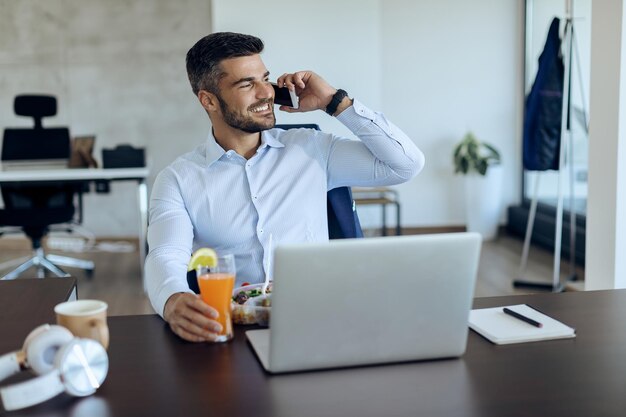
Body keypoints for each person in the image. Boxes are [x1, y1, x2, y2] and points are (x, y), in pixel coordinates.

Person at [145, 32, 425, 342]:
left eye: (265, 78)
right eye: (247, 84)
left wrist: (335, 101)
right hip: (235, 332)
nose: (266, 93)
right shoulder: (178, 180)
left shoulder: (311, 148)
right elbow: (165, 255)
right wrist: (172, 299)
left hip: (321, 322)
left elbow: (405, 164)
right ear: (208, 99)